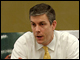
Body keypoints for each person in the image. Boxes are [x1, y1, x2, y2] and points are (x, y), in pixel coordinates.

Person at [11, 3, 79, 59]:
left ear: (53, 25)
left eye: (42, 24)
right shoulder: (23, 43)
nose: (37, 30)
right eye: (33, 24)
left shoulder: (70, 43)